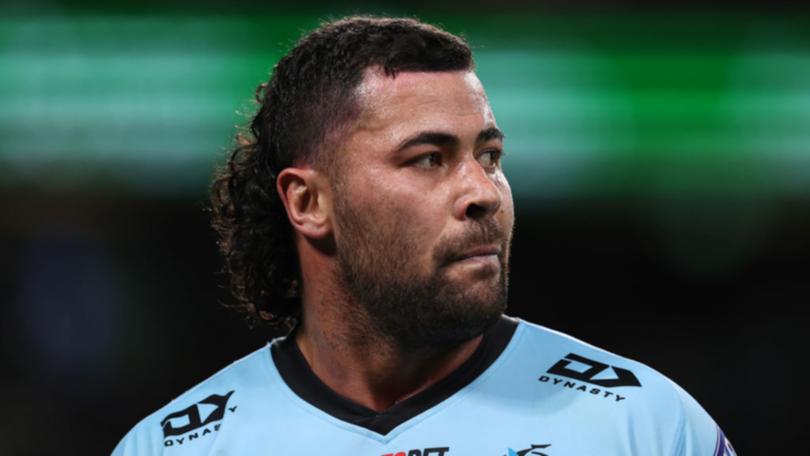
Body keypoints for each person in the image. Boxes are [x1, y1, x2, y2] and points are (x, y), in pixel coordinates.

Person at [113, 16, 736, 456]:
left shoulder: (644, 427)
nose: (484, 192)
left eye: (489, 156)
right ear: (308, 202)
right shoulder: (172, 447)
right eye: (429, 158)